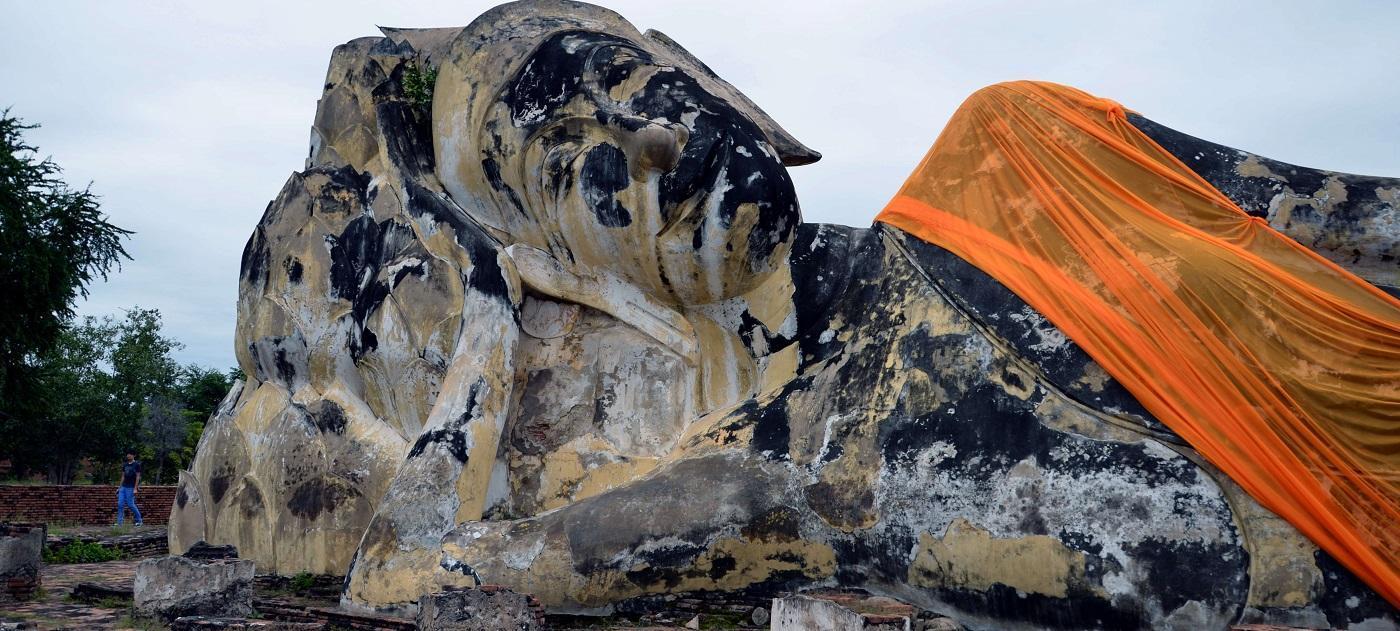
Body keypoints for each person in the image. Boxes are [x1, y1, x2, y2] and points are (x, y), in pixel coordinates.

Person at [116, 450, 142, 527]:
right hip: (123, 487)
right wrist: (119, 487)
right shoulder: (125, 465)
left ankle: (139, 521)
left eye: (130, 454)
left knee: (131, 505)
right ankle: (119, 523)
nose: (128, 455)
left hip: (131, 487)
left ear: (133, 455)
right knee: (120, 504)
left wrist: (135, 488)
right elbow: (123, 476)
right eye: (127, 454)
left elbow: (138, 477)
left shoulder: (136, 465)